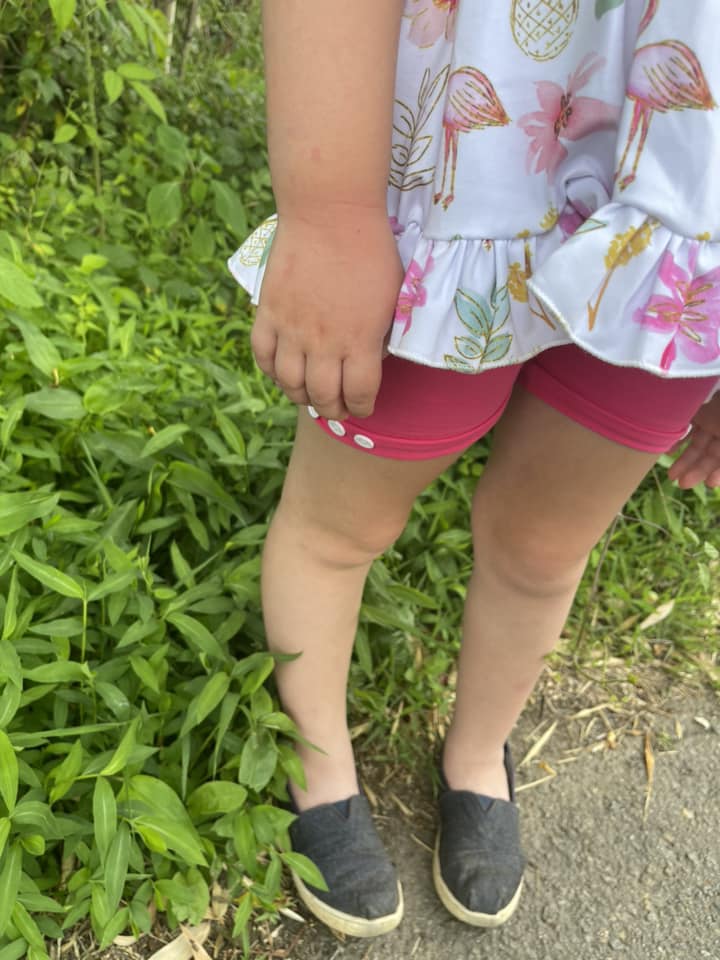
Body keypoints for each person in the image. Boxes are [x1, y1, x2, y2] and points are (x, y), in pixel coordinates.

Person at [229, 0, 720, 938]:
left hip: (687, 223)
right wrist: (328, 216)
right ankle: (318, 762)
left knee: (544, 545)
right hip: (464, 179)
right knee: (343, 527)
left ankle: (480, 753)